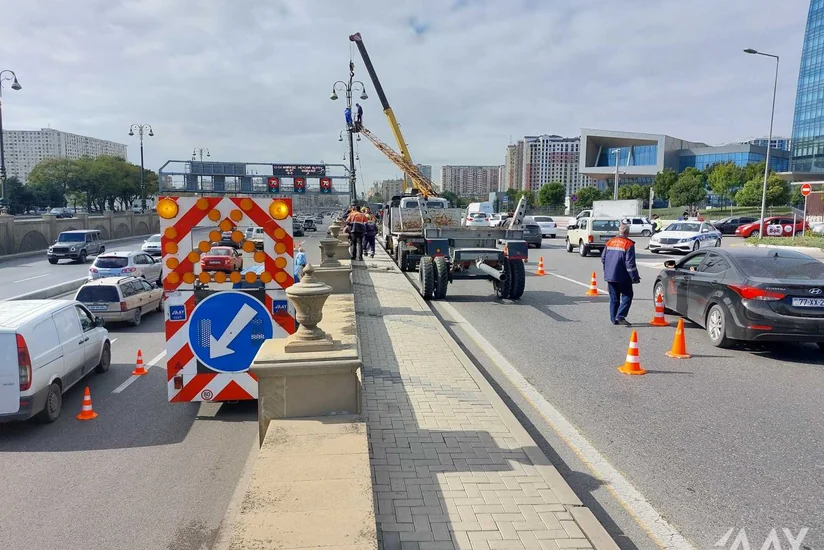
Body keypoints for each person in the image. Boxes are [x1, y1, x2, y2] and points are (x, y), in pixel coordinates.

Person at [602, 223, 641, 326]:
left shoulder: (610, 242)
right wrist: (634, 277)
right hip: (623, 276)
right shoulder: (628, 244)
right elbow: (630, 264)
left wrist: (606, 273)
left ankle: (614, 319)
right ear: (627, 233)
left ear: (619, 231)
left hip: (610, 276)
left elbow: (603, 258)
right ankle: (620, 316)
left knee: (614, 298)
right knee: (628, 295)